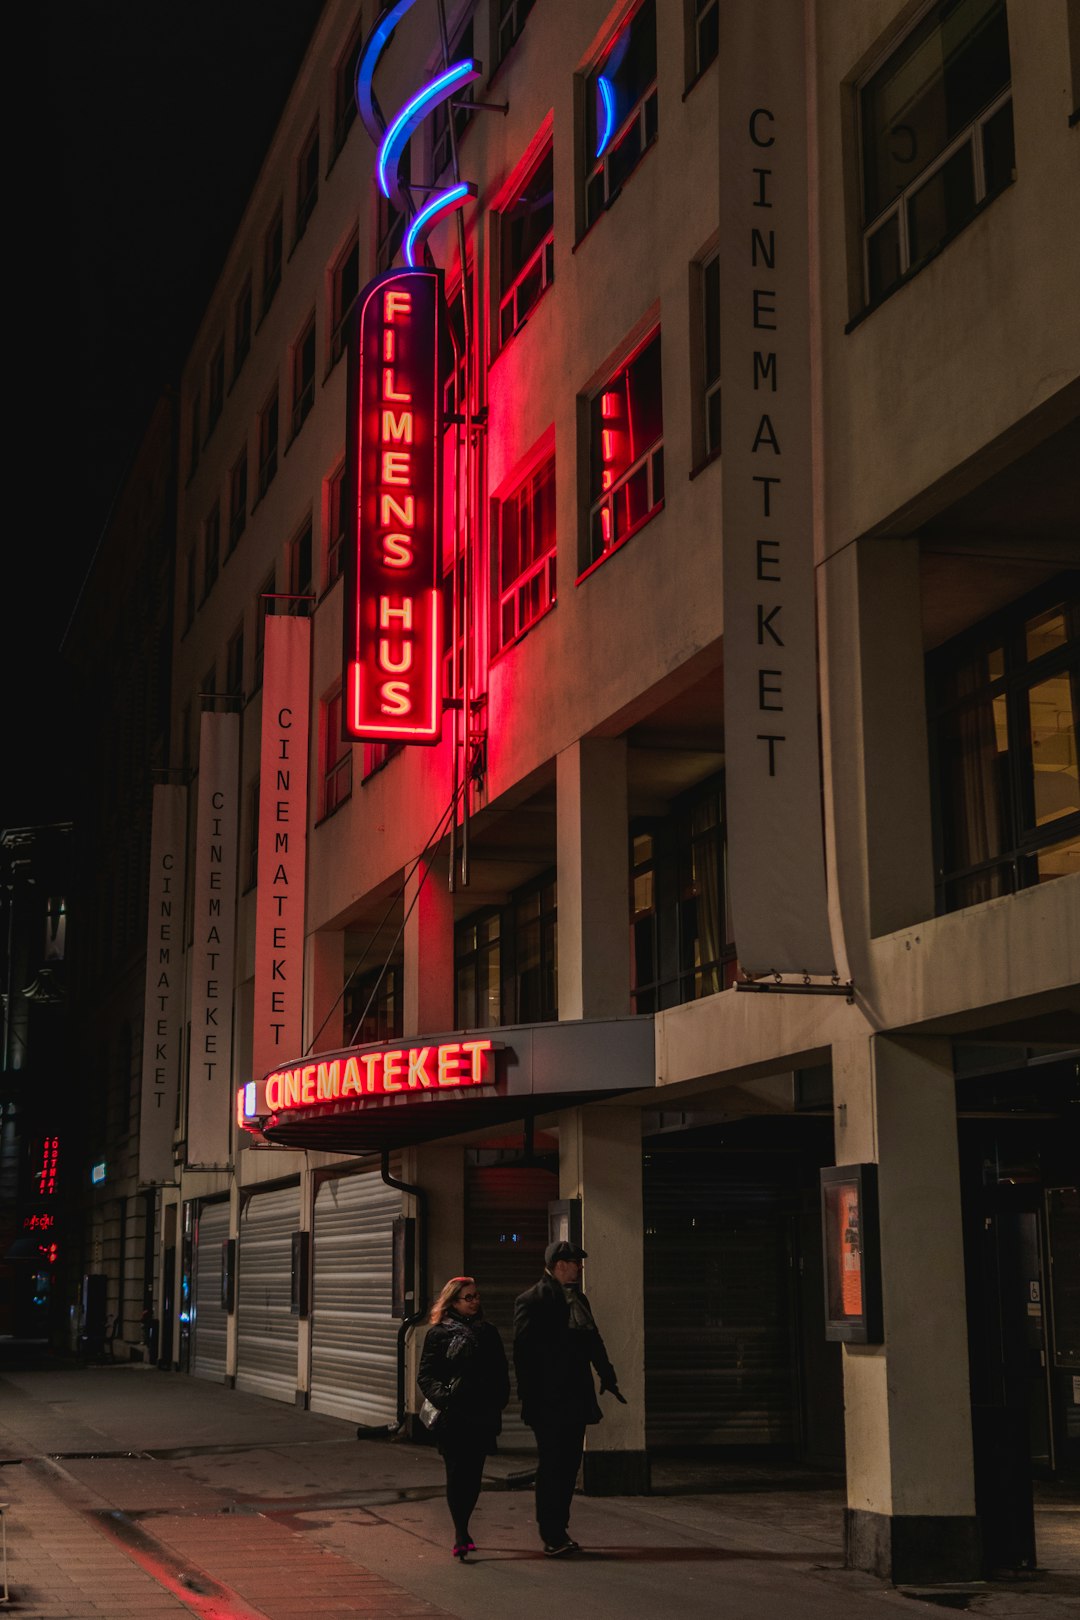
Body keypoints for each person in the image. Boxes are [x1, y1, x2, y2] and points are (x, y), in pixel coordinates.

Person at [513, 1239, 625, 1557]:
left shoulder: (580, 1301)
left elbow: (593, 1340)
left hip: (575, 1398)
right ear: (560, 1265)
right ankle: (552, 1533)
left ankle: (560, 1528)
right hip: (547, 1401)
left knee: (569, 1463)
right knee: (552, 1465)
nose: (580, 1266)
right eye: (576, 1262)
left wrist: (607, 1375)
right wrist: (529, 1396)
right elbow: (522, 1354)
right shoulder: (532, 1300)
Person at [418, 1275, 510, 1560]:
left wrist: (498, 1402)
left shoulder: (488, 1332)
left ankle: (464, 1525)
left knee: (473, 1476)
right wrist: (445, 1398)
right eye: (468, 1298)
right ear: (453, 1302)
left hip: (481, 1415)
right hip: (453, 1417)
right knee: (457, 1474)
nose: (474, 1302)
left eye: (476, 1296)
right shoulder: (438, 1334)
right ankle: (461, 1532)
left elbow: (500, 1372)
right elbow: (426, 1375)